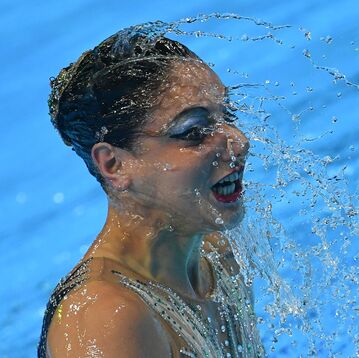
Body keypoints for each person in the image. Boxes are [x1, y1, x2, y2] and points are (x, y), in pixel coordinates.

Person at [38, 25, 265, 357]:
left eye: (227, 116)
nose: (239, 142)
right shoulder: (105, 319)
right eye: (195, 131)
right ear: (114, 164)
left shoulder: (219, 260)